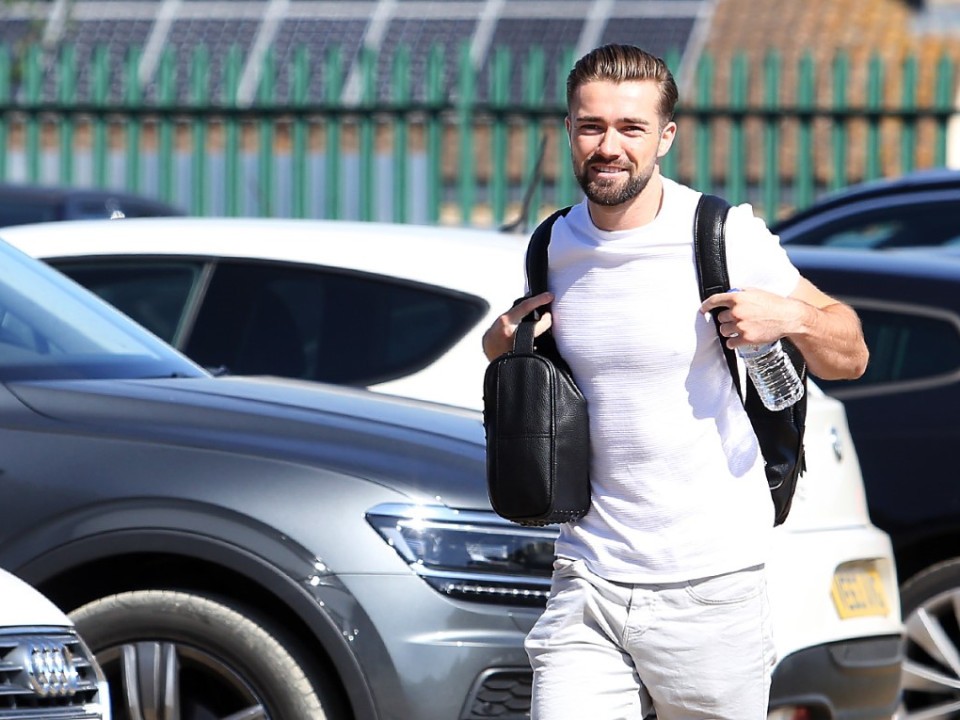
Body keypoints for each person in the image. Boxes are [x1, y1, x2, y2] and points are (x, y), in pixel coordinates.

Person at [481, 44, 868, 720]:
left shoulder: (721, 234)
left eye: (630, 128)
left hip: (709, 589)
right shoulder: (550, 245)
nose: (608, 146)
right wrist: (503, 343)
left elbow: (851, 353)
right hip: (587, 578)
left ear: (665, 137)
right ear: (569, 130)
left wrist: (790, 317)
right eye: (591, 126)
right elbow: (524, 364)